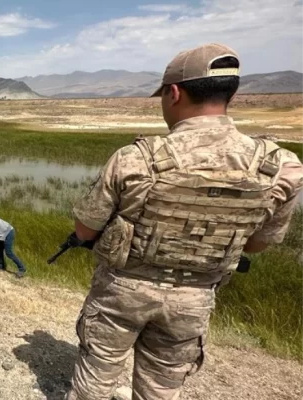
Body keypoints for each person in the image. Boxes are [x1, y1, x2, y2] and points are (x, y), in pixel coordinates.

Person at [64, 43, 303, 400]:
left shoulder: (135, 158)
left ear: (174, 93)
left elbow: (85, 230)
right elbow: (256, 244)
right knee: (161, 389)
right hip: (194, 299)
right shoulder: (280, 166)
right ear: (230, 94)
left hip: (121, 294)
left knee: (95, 382)